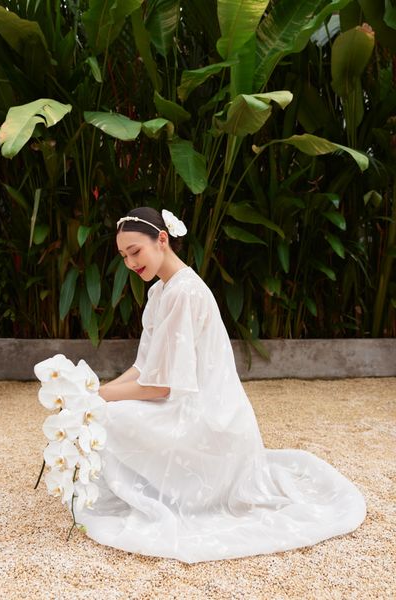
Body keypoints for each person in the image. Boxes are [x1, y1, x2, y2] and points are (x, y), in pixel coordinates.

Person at [75, 206, 366, 563]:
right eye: (123, 256)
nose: (130, 263)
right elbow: (143, 367)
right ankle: (149, 485)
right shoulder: (159, 293)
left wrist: (99, 397)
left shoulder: (184, 292)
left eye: (135, 251)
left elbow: (161, 387)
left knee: (109, 417)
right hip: (183, 402)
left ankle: (166, 492)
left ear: (162, 240)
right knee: (104, 410)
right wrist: (96, 394)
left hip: (208, 418)